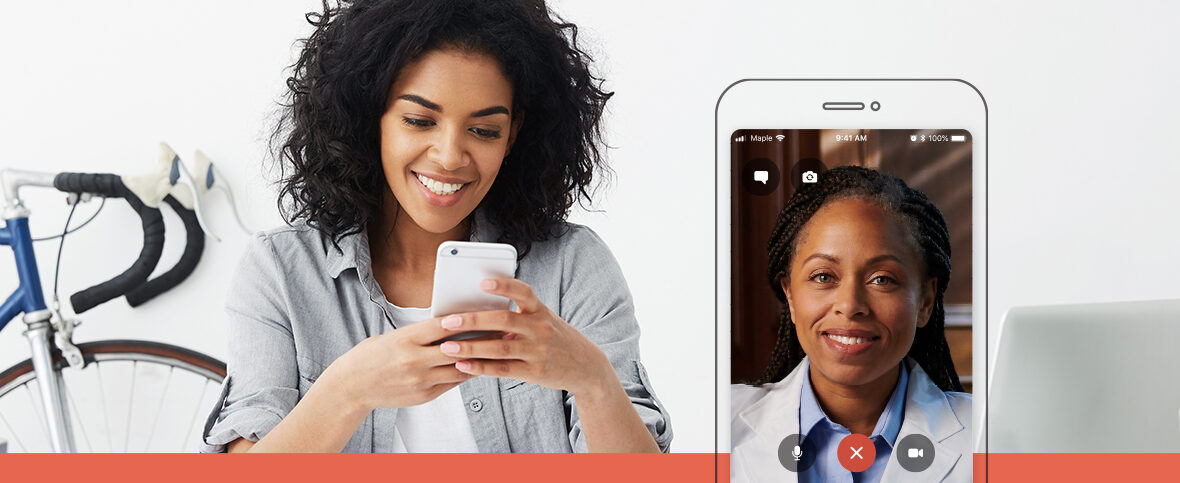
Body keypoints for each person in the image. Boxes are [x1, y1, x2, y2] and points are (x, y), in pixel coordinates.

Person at [199, 0, 671, 453]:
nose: (449, 157)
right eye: (419, 120)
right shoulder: (282, 271)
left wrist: (592, 379)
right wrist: (348, 389)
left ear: (512, 136)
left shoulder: (572, 267)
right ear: (372, 118)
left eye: (484, 130)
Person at [730, 166, 970, 481]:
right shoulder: (711, 422)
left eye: (882, 279)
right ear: (790, 295)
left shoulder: (997, 435)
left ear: (925, 300)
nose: (850, 305)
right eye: (823, 276)